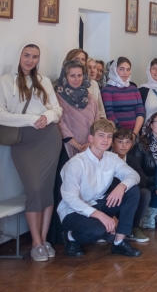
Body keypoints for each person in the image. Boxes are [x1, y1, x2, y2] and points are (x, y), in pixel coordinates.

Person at [0, 44, 63, 261]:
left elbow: (57, 109)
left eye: (35, 57)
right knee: (34, 188)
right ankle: (35, 241)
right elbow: (1, 115)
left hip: (49, 138)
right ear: (18, 55)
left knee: (46, 189)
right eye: (26, 55)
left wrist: (48, 117)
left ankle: (42, 240)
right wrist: (32, 120)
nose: (30, 60)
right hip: (23, 140)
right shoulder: (5, 81)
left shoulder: (43, 81)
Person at [59, 119, 142, 258]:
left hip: (98, 203)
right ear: (90, 138)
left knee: (132, 191)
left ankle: (119, 243)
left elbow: (133, 175)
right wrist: (101, 216)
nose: (106, 140)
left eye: (109, 136)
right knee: (98, 231)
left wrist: (122, 186)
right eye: (101, 135)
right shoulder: (75, 163)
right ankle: (70, 236)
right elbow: (70, 199)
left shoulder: (112, 158)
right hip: (73, 211)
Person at [110, 128, 150, 243]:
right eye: (120, 142)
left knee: (144, 193)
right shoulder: (106, 158)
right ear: (113, 143)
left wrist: (125, 187)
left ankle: (133, 227)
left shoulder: (132, 160)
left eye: (128, 142)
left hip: (129, 194)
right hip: (110, 196)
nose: (124, 146)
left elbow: (142, 181)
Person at [56, 59, 101, 160]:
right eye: (72, 76)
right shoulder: (58, 97)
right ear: (65, 77)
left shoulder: (90, 97)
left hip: (89, 148)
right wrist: (75, 144)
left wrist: (90, 142)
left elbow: (97, 122)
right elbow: (59, 123)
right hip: (66, 147)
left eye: (80, 75)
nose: (77, 79)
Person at [102, 58, 145, 136]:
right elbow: (109, 114)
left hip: (134, 133)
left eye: (128, 69)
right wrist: (123, 134)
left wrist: (134, 134)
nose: (125, 73)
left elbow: (140, 112)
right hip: (117, 133)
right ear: (114, 70)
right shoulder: (107, 90)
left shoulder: (134, 89)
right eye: (121, 69)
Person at [62, 48, 106, 119]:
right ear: (68, 60)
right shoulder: (60, 86)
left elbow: (100, 110)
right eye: (77, 59)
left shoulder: (92, 83)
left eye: (83, 59)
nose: (80, 62)